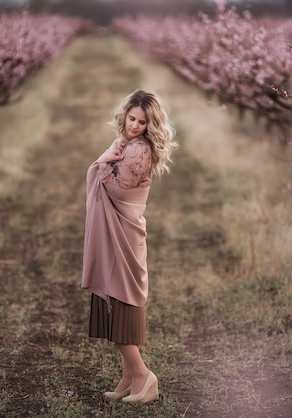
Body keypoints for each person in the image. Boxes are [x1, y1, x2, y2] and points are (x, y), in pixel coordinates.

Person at [82, 89, 178, 403]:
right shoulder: (129, 145)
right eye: (132, 118)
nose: (134, 124)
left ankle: (143, 376)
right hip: (118, 232)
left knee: (121, 301)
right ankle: (128, 378)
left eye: (142, 121)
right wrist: (109, 158)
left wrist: (104, 159)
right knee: (115, 299)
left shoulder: (138, 150)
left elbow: (118, 187)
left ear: (151, 125)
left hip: (124, 233)